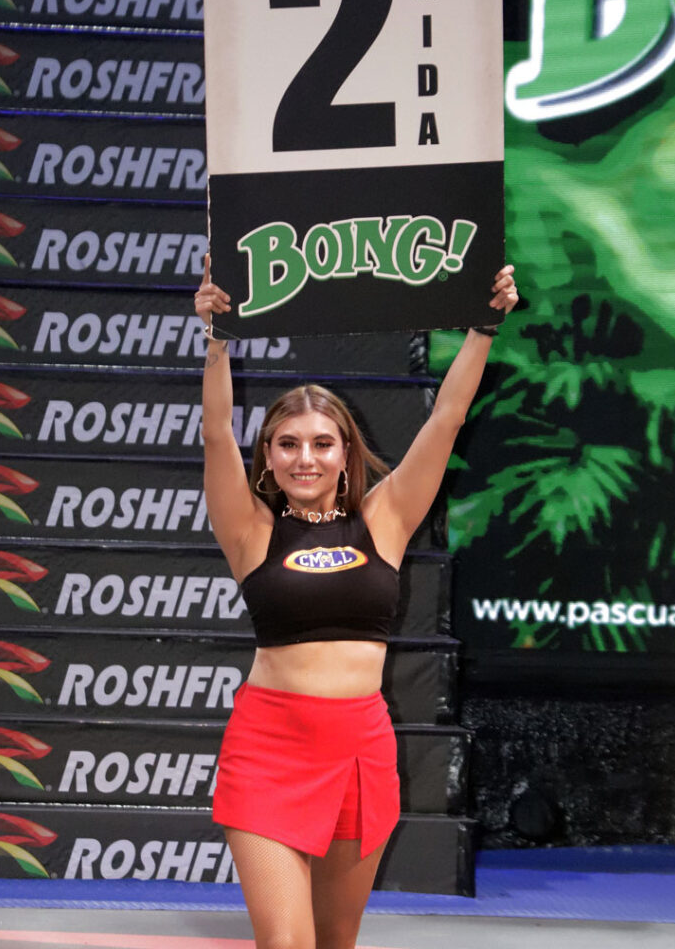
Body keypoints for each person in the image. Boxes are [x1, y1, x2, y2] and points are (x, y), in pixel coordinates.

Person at [194, 259, 518, 949]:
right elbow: (216, 432)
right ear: (268, 457)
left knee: (335, 942)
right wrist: (217, 338)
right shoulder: (250, 530)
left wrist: (483, 328)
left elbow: (448, 419)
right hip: (268, 748)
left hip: (359, 751)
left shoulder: (384, 520)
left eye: (321, 443)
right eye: (287, 444)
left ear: (346, 453)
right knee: (287, 943)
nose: (304, 458)